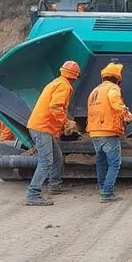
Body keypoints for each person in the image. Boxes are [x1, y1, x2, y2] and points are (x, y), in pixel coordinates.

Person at [25, 60, 80, 206]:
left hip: (42, 127)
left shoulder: (56, 82)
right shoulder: (63, 86)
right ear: (74, 77)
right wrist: (66, 123)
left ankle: (54, 185)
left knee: (57, 157)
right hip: (42, 127)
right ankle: (33, 193)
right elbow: (55, 107)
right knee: (46, 160)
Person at [87, 63, 132, 202]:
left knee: (101, 162)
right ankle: (107, 193)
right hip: (108, 131)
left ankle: (103, 187)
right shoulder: (112, 89)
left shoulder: (95, 91)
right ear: (117, 79)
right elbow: (116, 103)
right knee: (114, 163)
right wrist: (128, 115)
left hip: (94, 132)